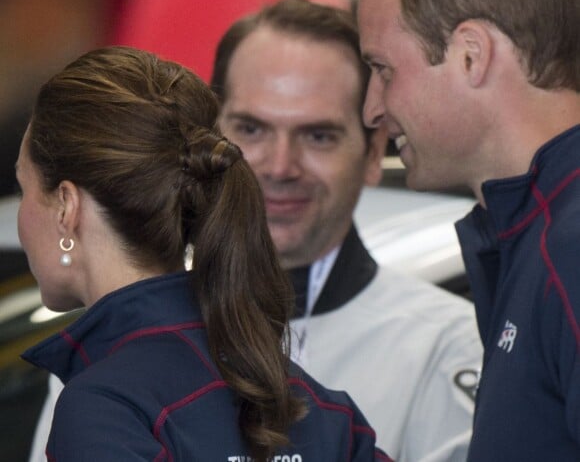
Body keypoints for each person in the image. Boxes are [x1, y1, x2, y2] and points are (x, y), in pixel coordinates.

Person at [18, 46, 387, 461]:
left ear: (67, 207)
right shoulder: (315, 407)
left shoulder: (105, 410)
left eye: (25, 188)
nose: (22, 214)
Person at [211, 0, 483, 461]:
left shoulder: (447, 348)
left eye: (318, 136)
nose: (280, 166)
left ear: (374, 154)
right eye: (252, 129)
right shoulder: (128, 335)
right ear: (211, 136)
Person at [358, 0, 580, 461]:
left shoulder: (570, 248)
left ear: (470, 55)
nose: (372, 109)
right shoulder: (534, 233)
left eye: (384, 70)